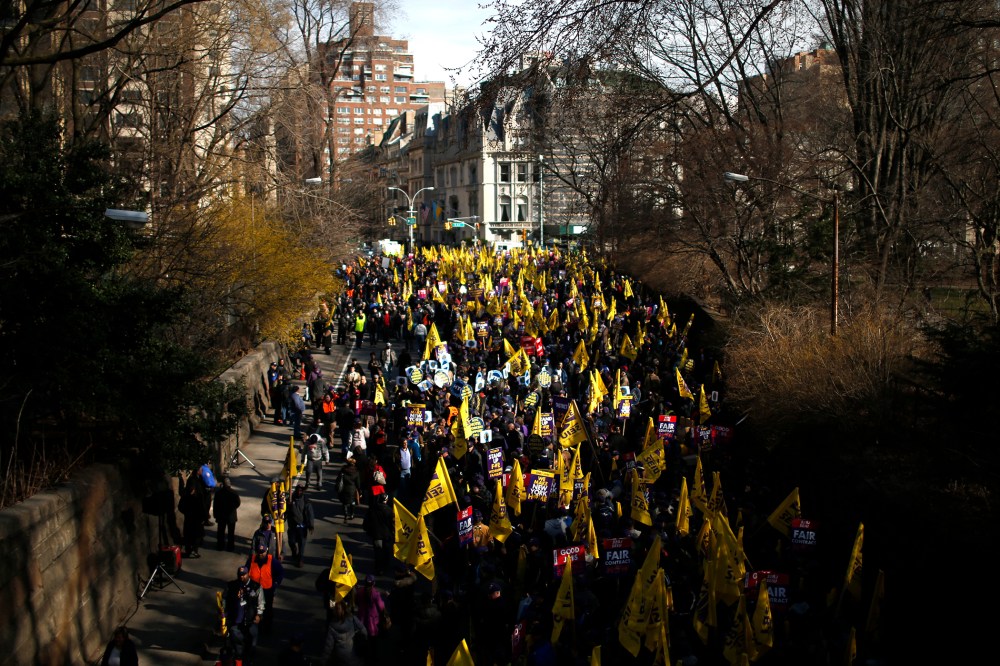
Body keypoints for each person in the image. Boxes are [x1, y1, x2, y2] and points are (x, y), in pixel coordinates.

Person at [224, 565, 265, 662]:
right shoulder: (231, 585)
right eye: (239, 575)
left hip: (251, 621)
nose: (241, 577)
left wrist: (259, 614)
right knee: (236, 642)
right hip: (236, 620)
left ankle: (249, 659)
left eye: (243, 575)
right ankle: (239, 658)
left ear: (248, 574)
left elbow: (261, 602)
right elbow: (225, 599)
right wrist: (224, 612)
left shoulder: (256, 586)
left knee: (251, 644)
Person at [247, 541, 285, 636]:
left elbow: (280, 573)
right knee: (253, 610)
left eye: (263, 552)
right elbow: (246, 572)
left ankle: (267, 629)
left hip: (267, 591)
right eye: (259, 552)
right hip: (254, 591)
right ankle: (253, 629)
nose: (261, 554)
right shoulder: (251, 560)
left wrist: (275, 584)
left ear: (266, 551)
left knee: (267, 611)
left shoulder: (272, 561)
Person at [319, 600, 366, 666]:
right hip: (354, 653)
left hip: (341, 656)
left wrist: (323, 661)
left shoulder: (332, 626)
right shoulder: (352, 619)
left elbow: (328, 646)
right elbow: (363, 630)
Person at [355, 575, 389, 665]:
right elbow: (381, 606)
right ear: (373, 583)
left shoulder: (360, 591)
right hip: (372, 621)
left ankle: (363, 655)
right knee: (373, 641)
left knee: (363, 638)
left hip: (361, 618)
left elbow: (357, 602)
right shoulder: (375, 594)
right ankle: (373, 657)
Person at [362, 493, 394, 575]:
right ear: (386, 500)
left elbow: (366, 522)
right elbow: (393, 524)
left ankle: (379, 569)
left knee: (378, 553)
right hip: (387, 535)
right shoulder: (390, 511)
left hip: (376, 535)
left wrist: (368, 530)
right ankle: (385, 566)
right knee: (386, 551)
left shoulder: (372, 509)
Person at [287, 484, 315, 568]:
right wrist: (288, 505)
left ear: (303, 491)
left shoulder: (306, 501)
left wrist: (311, 525)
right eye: (298, 490)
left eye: (301, 490)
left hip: (302, 526)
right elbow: (285, 510)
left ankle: (300, 560)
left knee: (301, 544)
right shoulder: (291, 499)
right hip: (292, 526)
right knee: (291, 542)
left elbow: (310, 514)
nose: (299, 491)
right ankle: (294, 550)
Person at [178, 474, 206, 558]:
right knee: (196, 536)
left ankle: (189, 550)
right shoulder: (198, 496)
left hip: (190, 519)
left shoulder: (185, 496)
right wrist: (203, 517)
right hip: (196, 519)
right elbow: (202, 508)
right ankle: (193, 551)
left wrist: (186, 512)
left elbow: (180, 507)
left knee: (189, 535)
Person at [213, 476, 241, 552]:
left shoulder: (218, 493)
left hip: (221, 515)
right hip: (231, 516)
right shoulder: (234, 493)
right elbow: (238, 503)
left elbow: (215, 505)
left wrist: (215, 515)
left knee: (221, 532)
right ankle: (230, 547)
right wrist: (233, 508)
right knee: (231, 533)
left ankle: (220, 546)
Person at [336, 457, 362, 522]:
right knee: (352, 502)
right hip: (352, 489)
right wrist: (360, 491)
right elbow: (358, 483)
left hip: (344, 489)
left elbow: (338, 479)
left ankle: (345, 515)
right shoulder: (356, 472)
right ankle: (352, 514)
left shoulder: (343, 470)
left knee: (344, 503)